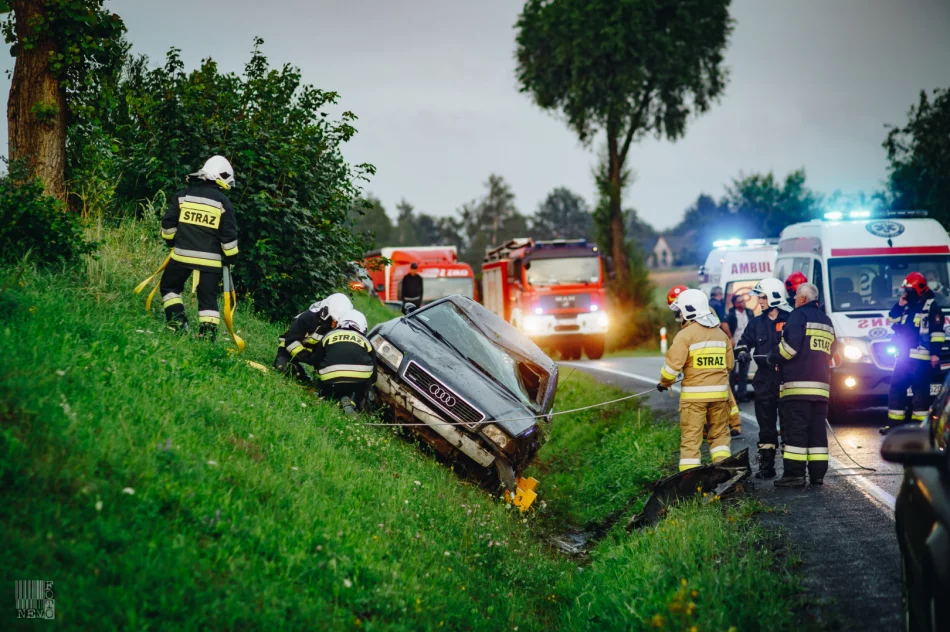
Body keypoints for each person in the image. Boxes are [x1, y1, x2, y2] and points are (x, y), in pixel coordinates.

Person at [158, 155, 239, 339]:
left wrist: (173, 242)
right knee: (208, 299)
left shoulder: (182, 196)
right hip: (210, 263)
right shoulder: (223, 203)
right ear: (220, 177)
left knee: (170, 288)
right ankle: (207, 336)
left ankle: (177, 322)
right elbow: (229, 239)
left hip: (181, 257)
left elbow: (168, 227)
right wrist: (229, 259)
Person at [768, 282, 836, 487]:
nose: (794, 299)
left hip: (798, 388)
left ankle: (794, 475)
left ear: (804, 299)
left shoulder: (798, 316)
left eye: (796, 295)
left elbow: (790, 349)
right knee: (817, 433)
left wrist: (773, 358)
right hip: (821, 388)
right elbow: (832, 351)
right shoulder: (826, 320)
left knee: (797, 430)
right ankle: (817, 475)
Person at [659, 289, 734, 471]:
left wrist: (664, 383)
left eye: (680, 311)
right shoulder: (721, 335)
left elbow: (671, 370)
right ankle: (724, 473)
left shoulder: (685, 335)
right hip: (720, 397)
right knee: (720, 437)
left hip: (694, 400)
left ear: (687, 310)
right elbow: (729, 365)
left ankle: (689, 479)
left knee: (691, 439)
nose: (680, 315)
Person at [735, 278, 792, 479]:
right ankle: (767, 467)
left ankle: (791, 470)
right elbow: (743, 343)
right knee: (766, 426)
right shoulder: (756, 323)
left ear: (775, 297)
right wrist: (741, 352)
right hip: (764, 380)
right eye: (759, 297)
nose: (759, 301)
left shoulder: (792, 319)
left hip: (787, 380)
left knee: (789, 425)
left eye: (763, 297)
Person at [668, 285, 741, 435]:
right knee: (713, 395)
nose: (679, 314)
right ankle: (709, 427)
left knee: (723, 393)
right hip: (710, 359)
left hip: (712, 359)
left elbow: (716, 329)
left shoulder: (705, 311)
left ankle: (734, 425)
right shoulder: (692, 314)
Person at [882, 272, 945, 434]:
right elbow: (892, 320)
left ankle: (919, 428)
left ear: (920, 289)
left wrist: (935, 354)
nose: (906, 293)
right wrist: (899, 305)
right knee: (896, 389)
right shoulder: (907, 306)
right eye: (905, 290)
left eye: (910, 290)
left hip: (921, 360)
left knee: (920, 393)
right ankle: (894, 426)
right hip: (904, 357)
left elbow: (937, 333)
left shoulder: (932, 307)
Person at [273, 293, 353, 382]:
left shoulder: (337, 328)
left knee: (324, 380)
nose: (335, 324)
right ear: (325, 312)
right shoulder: (308, 317)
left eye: (337, 322)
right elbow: (291, 342)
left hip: (313, 352)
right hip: (289, 348)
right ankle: (299, 372)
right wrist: (310, 358)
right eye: (333, 320)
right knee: (282, 368)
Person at [314, 309, 377, 416]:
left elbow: (316, 361)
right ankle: (353, 401)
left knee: (326, 377)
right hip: (358, 377)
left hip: (330, 376)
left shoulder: (329, 335)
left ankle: (328, 395)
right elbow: (374, 375)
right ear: (363, 327)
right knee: (364, 380)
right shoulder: (366, 341)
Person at [726, 293, 751, 402]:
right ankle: (732, 396)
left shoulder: (750, 312)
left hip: (745, 346)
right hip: (733, 346)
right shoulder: (731, 315)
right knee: (732, 373)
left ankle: (742, 394)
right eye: (741, 301)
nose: (744, 302)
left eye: (744, 300)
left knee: (744, 372)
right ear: (736, 304)